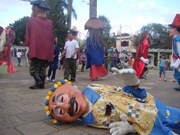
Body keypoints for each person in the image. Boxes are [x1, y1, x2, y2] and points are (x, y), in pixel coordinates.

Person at [44, 67, 180, 135]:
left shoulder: (93, 88)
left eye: (62, 99)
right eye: (60, 111)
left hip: (154, 106)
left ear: (72, 87)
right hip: (146, 124)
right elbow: (111, 123)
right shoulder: (89, 120)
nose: (66, 105)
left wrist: (132, 84)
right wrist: (131, 128)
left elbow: (120, 92)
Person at [25, 0, 54, 89]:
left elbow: (28, 35)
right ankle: (41, 83)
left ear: (35, 8)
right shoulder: (50, 22)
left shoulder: (31, 20)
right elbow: (51, 37)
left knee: (33, 68)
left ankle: (38, 82)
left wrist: (28, 46)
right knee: (42, 68)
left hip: (35, 47)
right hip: (47, 49)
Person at [169, 14, 180, 91]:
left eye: (171, 28)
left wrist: (177, 62)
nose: (170, 30)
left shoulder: (178, 39)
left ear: (176, 29)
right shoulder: (175, 38)